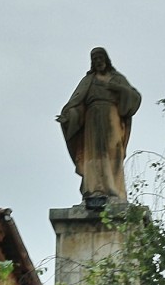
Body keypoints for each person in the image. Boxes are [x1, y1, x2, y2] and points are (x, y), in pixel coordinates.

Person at [57, 47, 141, 205]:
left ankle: (114, 189)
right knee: (94, 154)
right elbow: (76, 101)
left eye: (100, 59)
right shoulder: (88, 80)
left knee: (113, 151)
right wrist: (69, 116)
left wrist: (117, 88)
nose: (98, 62)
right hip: (92, 122)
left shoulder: (116, 78)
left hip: (112, 118)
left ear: (106, 60)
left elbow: (134, 97)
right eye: (94, 60)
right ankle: (94, 189)